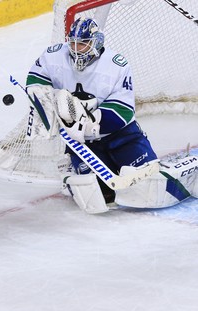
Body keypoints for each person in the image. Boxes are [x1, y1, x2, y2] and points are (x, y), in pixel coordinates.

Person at [25, 17, 158, 212]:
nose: (77, 49)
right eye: (73, 43)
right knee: (101, 195)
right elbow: (37, 77)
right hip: (82, 144)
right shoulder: (53, 56)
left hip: (122, 136)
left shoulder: (117, 65)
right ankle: (75, 166)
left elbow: (123, 107)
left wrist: (91, 123)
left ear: (97, 42)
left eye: (84, 44)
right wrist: (43, 98)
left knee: (147, 183)